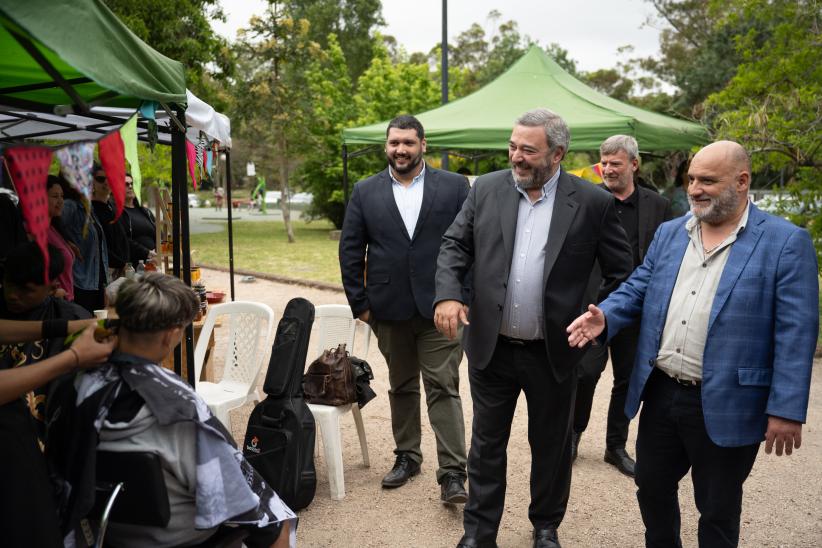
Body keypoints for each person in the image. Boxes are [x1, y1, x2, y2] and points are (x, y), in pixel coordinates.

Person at [567, 141, 818, 547]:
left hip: (728, 399)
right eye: (692, 180)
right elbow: (639, 286)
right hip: (663, 391)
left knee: (717, 506)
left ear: (742, 181)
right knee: (650, 488)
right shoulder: (671, 233)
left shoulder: (785, 243)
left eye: (708, 181)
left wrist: (786, 409)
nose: (695, 189)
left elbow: (796, 331)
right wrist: (608, 315)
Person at [434, 108, 633, 548]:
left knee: (551, 445)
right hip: (492, 348)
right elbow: (453, 245)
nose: (516, 157)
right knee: (486, 445)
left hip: (554, 352)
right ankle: (479, 533)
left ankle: (545, 526)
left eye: (528, 150)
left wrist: (602, 317)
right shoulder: (486, 189)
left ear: (558, 153)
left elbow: (624, 273)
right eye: (512, 146)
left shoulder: (593, 202)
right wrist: (448, 293)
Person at [47, 273, 296, 548]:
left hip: (105, 533)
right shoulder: (175, 406)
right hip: (175, 539)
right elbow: (230, 493)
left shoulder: (75, 383)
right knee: (276, 525)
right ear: (171, 334)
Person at [339, 115, 471, 502]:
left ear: (423, 145)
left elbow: (471, 243)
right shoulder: (365, 191)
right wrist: (360, 306)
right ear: (387, 146)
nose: (401, 149)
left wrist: (463, 296)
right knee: (401, 386)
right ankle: (407, 456)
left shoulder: (454, 186)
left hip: (441, 309)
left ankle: (452, 474)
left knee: (443, 385)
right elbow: (350, 249)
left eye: (408, 143)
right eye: (394, 142)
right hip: (387, 309)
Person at [0, 241, 114, 548]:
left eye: (26, 290)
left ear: (52, 287)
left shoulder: (66, 315)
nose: (12, 296)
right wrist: (73, 357)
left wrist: (81, 324)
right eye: (9, 284)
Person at [571, 135, 673, 476]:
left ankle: (615, 446)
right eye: (605, 163)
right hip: (594, 306)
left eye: (616, 163)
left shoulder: (658, 206)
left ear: (634, 164)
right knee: (585, 373)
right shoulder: (588, 201)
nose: (609, 169)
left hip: (638, 308)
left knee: (629, 380)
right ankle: (573, 434)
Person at [62, 172, 110, 313]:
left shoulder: (88, 207)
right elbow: (52, 231)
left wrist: (104, 283)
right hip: (81, 283)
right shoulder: (70, 206)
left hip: (96, 282)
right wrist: (67, 243)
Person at [90, 164, 130, 276]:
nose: (106, 182)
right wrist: (121, 264)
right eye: (101, 179)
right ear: (92, 182)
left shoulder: (113, 207)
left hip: (123, 269)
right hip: (106, 270)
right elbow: (99, 245)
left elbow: (123, 239)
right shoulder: (90, 210)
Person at [46, 175, 78, 300]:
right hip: (53, 306)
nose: (60, 201)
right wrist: (52, 293)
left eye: (62, 196)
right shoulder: (32, 231)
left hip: (66, 302)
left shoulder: (54, 228)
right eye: (55, 196)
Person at [121, 173, 157, 263]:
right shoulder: (117, 213)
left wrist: (158, 251)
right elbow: (123, 240)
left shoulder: (146, 212)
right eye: (126, 184)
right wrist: (146, 253)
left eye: (132, 184)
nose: (130, 186)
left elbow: (159, 234)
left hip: (154, 262)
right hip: (132, 265)